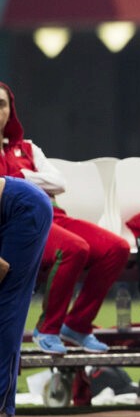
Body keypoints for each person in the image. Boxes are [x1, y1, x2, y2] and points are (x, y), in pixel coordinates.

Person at [0, 82, 130, 355]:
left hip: (54, 216)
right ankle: (47, 329)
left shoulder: (28, 148)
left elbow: (59, 183)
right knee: (74, 248)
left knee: (117, 248)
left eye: (2, 105)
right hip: (21, 225)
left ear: (11, 111)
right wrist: (34, 184)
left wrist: (20, 178)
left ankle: (77, 325)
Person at [0, 176, 54, 415]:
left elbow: (2, 268)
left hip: (27, 208)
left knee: (6, 304)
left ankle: (2, 406)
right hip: (12, 205)